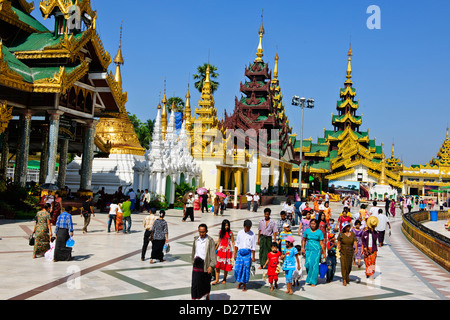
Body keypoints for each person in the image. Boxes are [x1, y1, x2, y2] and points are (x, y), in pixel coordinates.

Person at [191, 224, 217, 300]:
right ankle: (195, 298)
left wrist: (211, 266)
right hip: (196, 263)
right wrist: (193, 260)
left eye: (203, 232)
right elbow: (193, 251)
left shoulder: (210, 240)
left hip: (205, 264)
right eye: (200, 232)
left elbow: (213, 253)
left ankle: (207, 294)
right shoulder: (196, 239)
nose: (201, 234)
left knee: (205, 282)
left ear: (206, 231)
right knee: (195, 283)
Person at [234, 219, 256, 292]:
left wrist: (253, 256)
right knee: (238, 269)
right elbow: (237, 243)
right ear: (244, 226)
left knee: (246, 270)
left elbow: (253, 246)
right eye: (247, 227)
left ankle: (244, 285)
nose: (248, 229)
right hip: (240, 253)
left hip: (247, 254)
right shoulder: (240, 233)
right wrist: (235, 253)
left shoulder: (252, 234)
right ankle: (240, 281)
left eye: (249, 227)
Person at [302, 219, 325, 287]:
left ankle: (313, 281)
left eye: (314, 224)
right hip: (308, 250)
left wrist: (324, 252)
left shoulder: (319, 232)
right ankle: (310, 278)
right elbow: (304, 240)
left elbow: (321, 243)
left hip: (316, 250)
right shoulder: (307, 231)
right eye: (311, 223)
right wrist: (303, 248)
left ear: (316, 224)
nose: (312, 225)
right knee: (308, 264)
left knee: (314, 265)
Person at [212, 219, 235, 285]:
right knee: (218, 265)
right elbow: (219, 241)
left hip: (227, 250)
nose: (226, 227)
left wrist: (235, 251)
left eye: (227, 225)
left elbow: (233, 242)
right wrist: (215, 249)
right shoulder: (220, 232)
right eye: (225, 225)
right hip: (221, 250)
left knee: (226, 266)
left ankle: (224, 279)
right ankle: (217, 280)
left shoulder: (230, 232)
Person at [338, 222, 357, 286]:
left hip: (350, 251)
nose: (348, 227)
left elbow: (355, 241)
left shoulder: (352, 234)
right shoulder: (341, 234)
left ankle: (347, 275)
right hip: (343, 251)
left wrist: (356, 249)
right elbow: (338, 241)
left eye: (349, 226)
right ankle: (344, 279)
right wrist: (338, 247)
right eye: (347, 226)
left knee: (349, 266)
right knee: (343, 265)